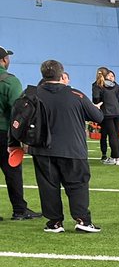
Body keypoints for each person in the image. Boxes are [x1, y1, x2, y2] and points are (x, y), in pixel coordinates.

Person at [21, 60, 105, 233]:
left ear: (42, 74)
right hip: (73, 148)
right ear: (62, 74)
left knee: (48, 186)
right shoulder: (76, 95)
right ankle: (82, 220)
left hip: (42, 149)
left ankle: (54, 222)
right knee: (78, 185)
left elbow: (19, 120)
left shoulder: (31, 94)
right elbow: (98, 117)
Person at [0, 46, 42, 221]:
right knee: (13, 172)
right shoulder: (10, 81)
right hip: (4, 133)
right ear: (3, 60)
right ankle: (19, 209)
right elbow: (19, 112)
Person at [91, 67, 119, 166]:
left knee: (111, 135)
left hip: (107, 112)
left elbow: (96, 99)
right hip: (117, 112)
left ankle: (116, 157)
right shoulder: (114, 85)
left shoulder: (97, 85)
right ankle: (116, 156)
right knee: (116, 134)